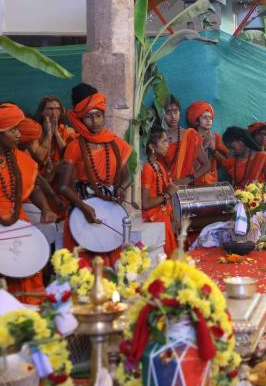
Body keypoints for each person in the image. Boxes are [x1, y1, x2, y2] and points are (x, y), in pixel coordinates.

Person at [59, 83, 133, 268]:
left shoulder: (116, 143)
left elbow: (128, 176)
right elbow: (64, 186)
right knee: (85, 270)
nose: (95, 121)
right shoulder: (74, 147)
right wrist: (84, 207)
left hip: (111, 212)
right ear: (79, 119)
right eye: (88, 117)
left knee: (113, 268)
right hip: (82, 212)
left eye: (98, 115)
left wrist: (122, 188)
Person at [0, 103, 58, 303]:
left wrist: (45, 208)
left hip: (19, 222)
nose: (19, 134)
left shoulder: (18, 158)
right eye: (13, 130)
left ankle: (30, 317)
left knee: (27, 273)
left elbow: (34, 186)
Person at [141, 127, 178, 258]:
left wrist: (172, 216)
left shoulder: (158, 165)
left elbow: (166, 190)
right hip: (154, 222)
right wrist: (168, 194)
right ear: (152, 146)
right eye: (164, 141)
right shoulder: (147, 168)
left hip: (164, 218)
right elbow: (145, 204)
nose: (167, 145)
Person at [161, 96, 210, 185]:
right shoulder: (157, 137)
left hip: (185, 187)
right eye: (168, 112)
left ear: (179, 114)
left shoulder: (191, 135)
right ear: (161, 114)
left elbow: (206, 165)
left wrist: (189, 179)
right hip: (162, 186)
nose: (173, 116)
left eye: (175, 112)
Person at [32, 95, 76, 182]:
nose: (54, 113)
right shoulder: (35, 131)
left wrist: (56, 133)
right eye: (50, 109)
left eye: (58, 109)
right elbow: (39, 157)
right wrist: (49, 134)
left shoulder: (68, 131)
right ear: (42, 112)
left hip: (62, 178)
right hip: (40, 178)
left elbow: (68, 156)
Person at [187, 101, 227, 185]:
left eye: (210, 118)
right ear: (196, 121)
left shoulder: (216, 137)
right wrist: (205, 145)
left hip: (212, 180)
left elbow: (225, 161)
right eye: (205, 117)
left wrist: (213, 150)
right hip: (194, 180)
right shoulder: (191, 137)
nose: (208, 120)